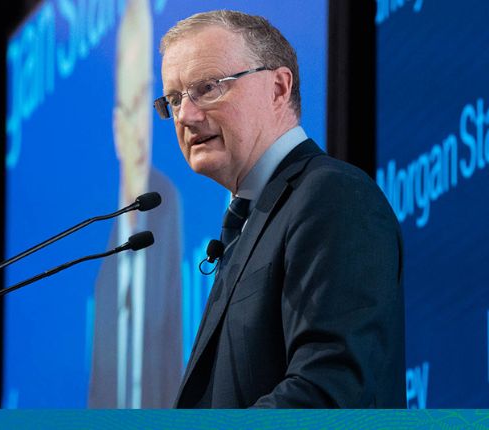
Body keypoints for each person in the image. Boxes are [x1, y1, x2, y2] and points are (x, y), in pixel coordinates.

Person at [155, 10, 405, 408]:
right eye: (174, 99)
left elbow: (328, 392)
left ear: (278, 87)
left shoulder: (332, 196)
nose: (185, 115)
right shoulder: (250, 221)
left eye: (207, 87)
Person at [88, 0, 183, 409]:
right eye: (130, 108)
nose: (140, 129)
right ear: (115, 128)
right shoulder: (99, 232)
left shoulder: (166, 204)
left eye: (148, 100)